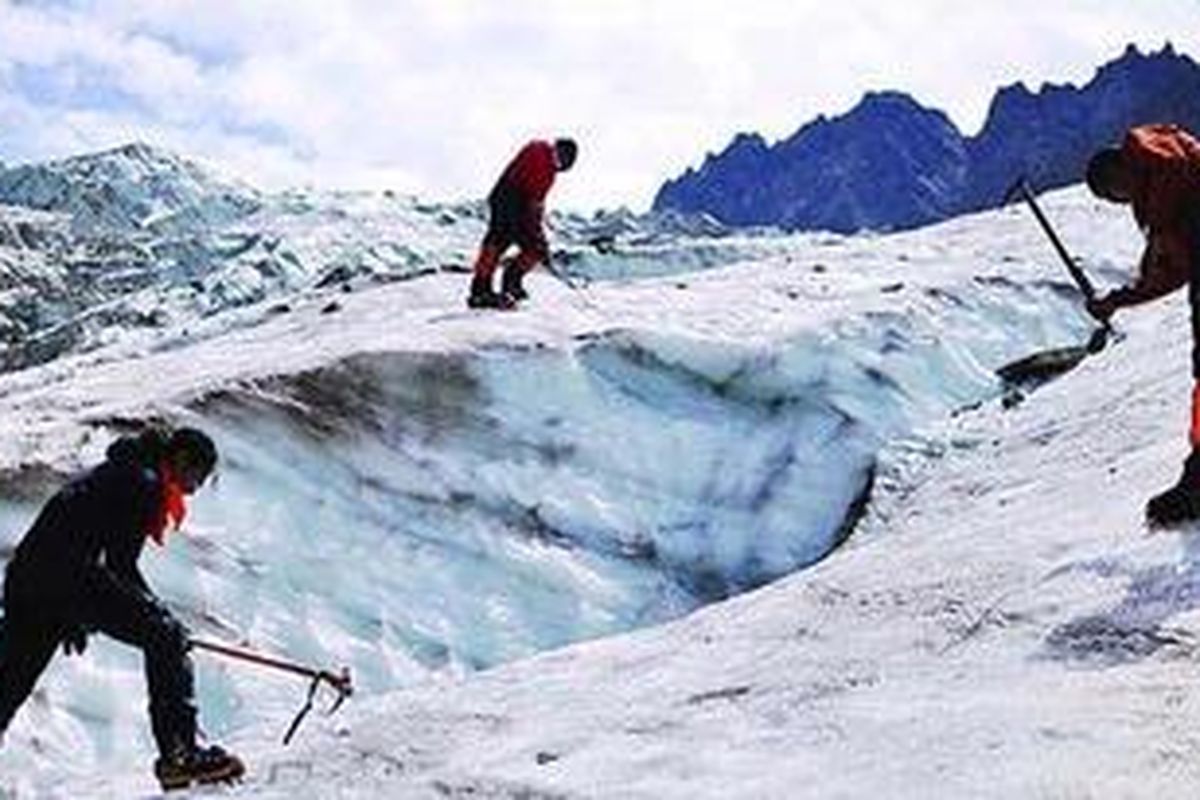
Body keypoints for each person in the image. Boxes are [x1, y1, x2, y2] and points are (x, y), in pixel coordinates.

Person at [0, 426, 244, 790]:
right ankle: (181, 754)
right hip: (64, 579)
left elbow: (83, 547)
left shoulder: (123, 472)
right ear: (179, 459)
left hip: (30, 581)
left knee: (11, 679)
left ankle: (181, 753)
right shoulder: (141, 482)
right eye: (197, 475)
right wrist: (163, 618)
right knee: (166, 638)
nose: (194, 488)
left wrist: (74, 612)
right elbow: (120, 566)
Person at [1084, 123, 1200, 524]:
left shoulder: (1155, 166)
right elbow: (1169, 271)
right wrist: (1119, 299)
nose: (1120, 201)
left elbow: (1167, 266)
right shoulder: (1175, 176)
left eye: (1112, 192)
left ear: (1118, 169)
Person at [467, 137, 578, 309]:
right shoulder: (540, 152)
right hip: (508, 199)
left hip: (515, 203)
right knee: (498, 242)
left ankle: (509, 282)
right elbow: (533, 202)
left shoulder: (548, 169)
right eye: (563, 162)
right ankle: (482, 291)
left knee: (530, 247)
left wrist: (538, 234)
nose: (560, 167)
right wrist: (535, 231)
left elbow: (537, 204)